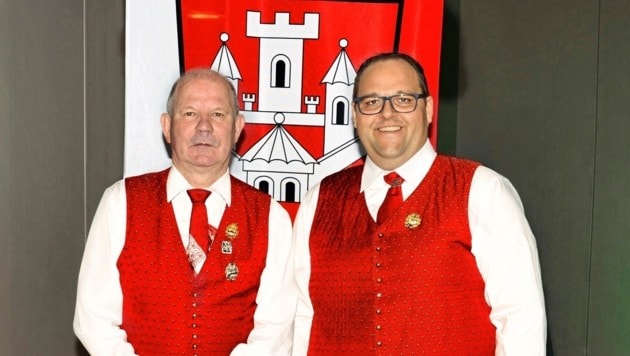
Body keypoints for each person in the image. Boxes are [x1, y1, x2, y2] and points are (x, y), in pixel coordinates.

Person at [292, 53, 546, 355]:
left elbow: (520, 318)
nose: (387, 114)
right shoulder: (318, 200)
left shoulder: (482, 190)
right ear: (355, 116)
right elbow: (299, 318)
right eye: (372, 102)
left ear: (427, 109)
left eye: (403, 99)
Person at [74, 69, 296, 355]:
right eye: (190, 114)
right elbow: (93, 319)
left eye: (218, 114)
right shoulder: (121, 202)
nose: (204, 127)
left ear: (238, 128)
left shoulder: (269, 216)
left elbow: (276, 328)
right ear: (167, 127)